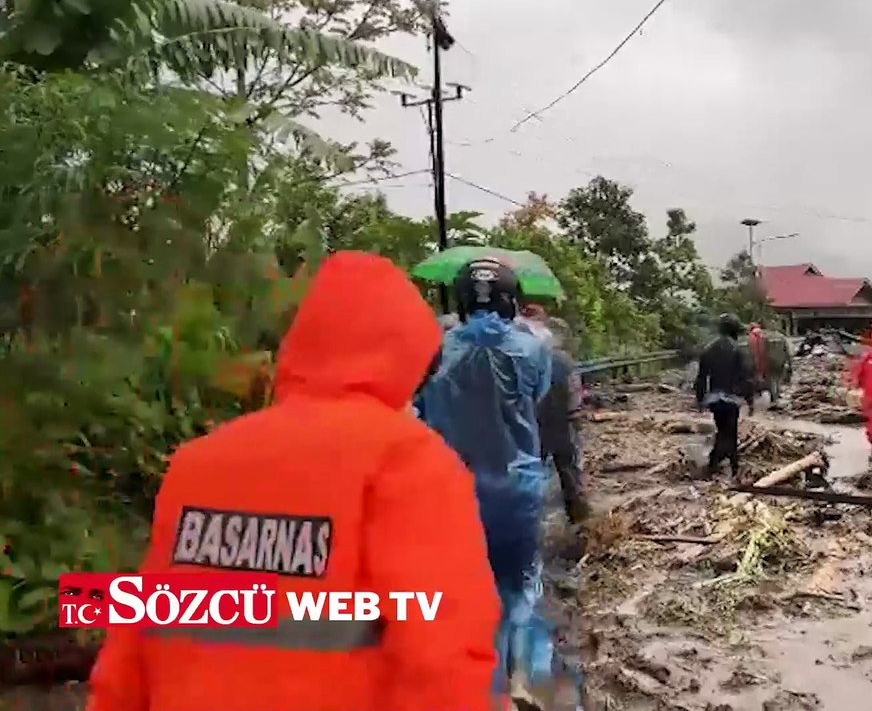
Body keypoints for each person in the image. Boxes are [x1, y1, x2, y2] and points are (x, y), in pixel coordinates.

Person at [88, 251, 500, 711]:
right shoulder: (408, 461)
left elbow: (134, 636)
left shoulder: (198, 463)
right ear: (409, 355)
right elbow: (442, 656)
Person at [418, 259, 580, 710]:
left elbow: (421, 406)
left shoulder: (438, 349)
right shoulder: (532, 349)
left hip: (451, 490)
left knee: (455, 590)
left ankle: (464, 684)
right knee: (519, 588)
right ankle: (517, 680)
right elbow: (537, 395)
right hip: (516, 490)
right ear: (511, 300)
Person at [538, 316, 590, 526]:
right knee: (570, 472)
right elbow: (574, 392)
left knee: (537, 472)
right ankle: (579, 519)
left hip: (536, 423)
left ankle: (538, 523)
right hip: (563, 423)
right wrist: (576, 415)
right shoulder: (564, 361)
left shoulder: (527, 356)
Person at [695, 313, 755, 476]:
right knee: (730, 431)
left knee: (723, 429)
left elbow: (701, 378)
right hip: (731, 398)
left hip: (714, 397)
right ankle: (722, 463)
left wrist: (700, 399)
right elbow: (745, 377)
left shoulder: (709, 349)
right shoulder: (738, 350)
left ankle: (723, 462)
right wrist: (750, 400)